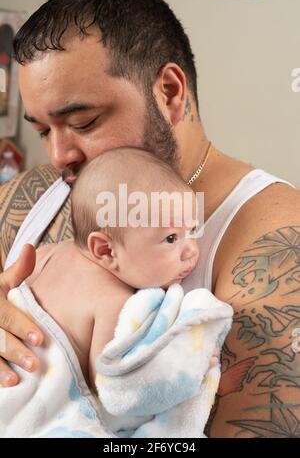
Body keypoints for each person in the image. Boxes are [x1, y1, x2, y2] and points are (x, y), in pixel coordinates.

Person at [0, 0, 298, 438]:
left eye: (83, 123)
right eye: (43, 130)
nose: (59, 154)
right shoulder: (36, 195)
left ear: (170, 93)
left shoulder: (277, 247)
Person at [1, 147, 231, 438]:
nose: (191, 250)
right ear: (106, 249)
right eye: (170, 238)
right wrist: (188, 362)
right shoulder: (113, 302)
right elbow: (119, 394)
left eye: (192, 230)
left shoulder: (44, 255)